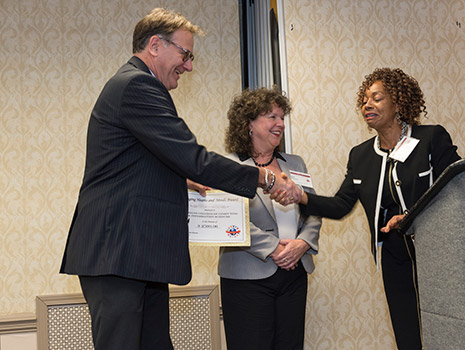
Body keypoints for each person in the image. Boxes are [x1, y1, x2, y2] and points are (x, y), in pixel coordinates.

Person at [59, 8, 301, 350]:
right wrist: (265, 178)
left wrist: (177, 181)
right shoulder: (138, 85)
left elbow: (137, 163)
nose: (188, 66)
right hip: (119, 252)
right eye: (185, 55)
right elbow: (192, 158)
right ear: (156, 45)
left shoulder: (135, 85)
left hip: (137, 255)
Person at [291, 68, 460, 349]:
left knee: (445, 329)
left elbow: (456, 187)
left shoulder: (431, 139)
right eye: (365, 100)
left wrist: (411, 216)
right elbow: (341, 205)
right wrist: (302, 197)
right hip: (394, 256)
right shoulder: (361, 155)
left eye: (377, 98)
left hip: (436, 252)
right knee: (408, 334)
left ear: (398, 104)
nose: (367, 105)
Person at [218, 87, 322, 350]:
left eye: (281, 117)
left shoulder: (295, 164)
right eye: (271, 116)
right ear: (249, 124)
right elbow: (228, 219)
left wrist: (302, 244)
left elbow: (313, 209)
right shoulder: (227, 166)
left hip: (294, 273)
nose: (280, 123)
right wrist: (274, 248)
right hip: (245, 278)